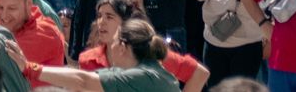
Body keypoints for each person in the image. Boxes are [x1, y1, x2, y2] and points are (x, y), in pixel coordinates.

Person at [21, 18, 181, 92]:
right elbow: (81, 80)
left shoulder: (145, 76)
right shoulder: (133, 71)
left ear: (123, 47)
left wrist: (29, 68)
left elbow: (84, 81)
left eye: (114, 40)